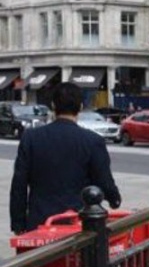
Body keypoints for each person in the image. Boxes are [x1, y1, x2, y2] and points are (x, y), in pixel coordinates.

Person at [10, 82, 121, 234]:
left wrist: (18, 224)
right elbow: (104, 181)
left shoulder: (31, 138)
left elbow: (19, 185)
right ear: (80, 107)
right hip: (79, 223)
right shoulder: (93, 141)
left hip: (40, 223)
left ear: (53, 105)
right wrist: (114, 200)